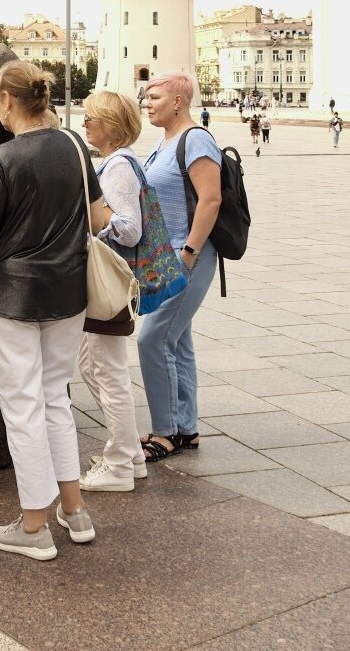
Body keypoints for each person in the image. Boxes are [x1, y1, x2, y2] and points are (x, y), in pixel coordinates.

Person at [0, 61, 104, 561]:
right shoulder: (73, 145)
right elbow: (100, 214)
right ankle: (75, 510)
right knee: (54, 398)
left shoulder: (2, 159)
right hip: (67, 291)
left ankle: (32, 528)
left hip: (12, 296)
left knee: (22, 405)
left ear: (6, 100)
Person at [139, 73, 222, 461]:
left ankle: (165, 431)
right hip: (169, 256)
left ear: (178, 100)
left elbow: (211, 199)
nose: (147, 103)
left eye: (154, 97)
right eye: (145, 98)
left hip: (187, 255)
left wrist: (188, 253)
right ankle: (186, 427)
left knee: (152, 339)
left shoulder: (196, 139)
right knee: (179, 341)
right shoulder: (166, 139)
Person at [79, 91, 147, 491]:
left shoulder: (118, 166)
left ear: (110, 124)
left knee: (108, 369)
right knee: (93, 365)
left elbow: (129, 227)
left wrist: (95, 218)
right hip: (110, 281)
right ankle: (129, 453)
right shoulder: (117, 162)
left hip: (109, 280)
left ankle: (120, 463)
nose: (85, 123)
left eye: (91, 118)